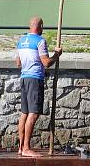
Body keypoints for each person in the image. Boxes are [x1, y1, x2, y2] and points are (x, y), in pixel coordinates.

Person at [15, 16, 62, 157]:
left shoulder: (21, 41)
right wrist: (56, 55)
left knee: (24, 113)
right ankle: (26, 148)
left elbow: (18, 63)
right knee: (33, 114)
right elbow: (46, 63)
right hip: (34, 80)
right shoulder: (40, 41)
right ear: (40, 26)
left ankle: (20, 147)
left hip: (24, 78)